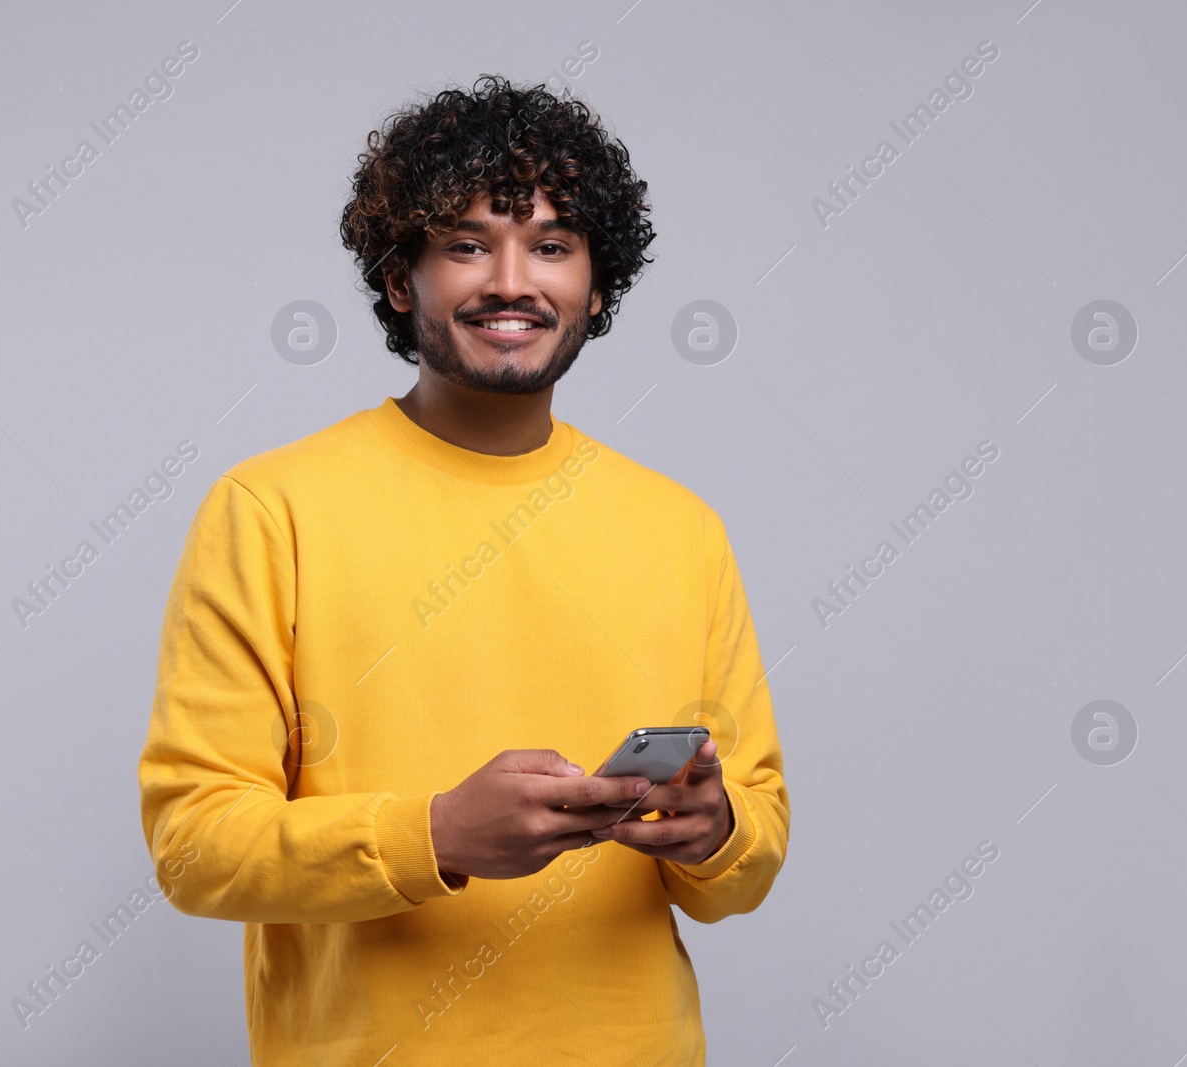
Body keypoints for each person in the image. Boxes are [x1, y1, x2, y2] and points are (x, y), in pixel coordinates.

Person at [138, 73, 789, 1066]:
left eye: (553, 245)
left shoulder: (680, 527)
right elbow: (195, 847)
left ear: (597, 284)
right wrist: (433, 834)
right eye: (467, 244)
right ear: (403, 280)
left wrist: (714, 826)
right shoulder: (272, 511)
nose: (511, 282)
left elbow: (745, 863)